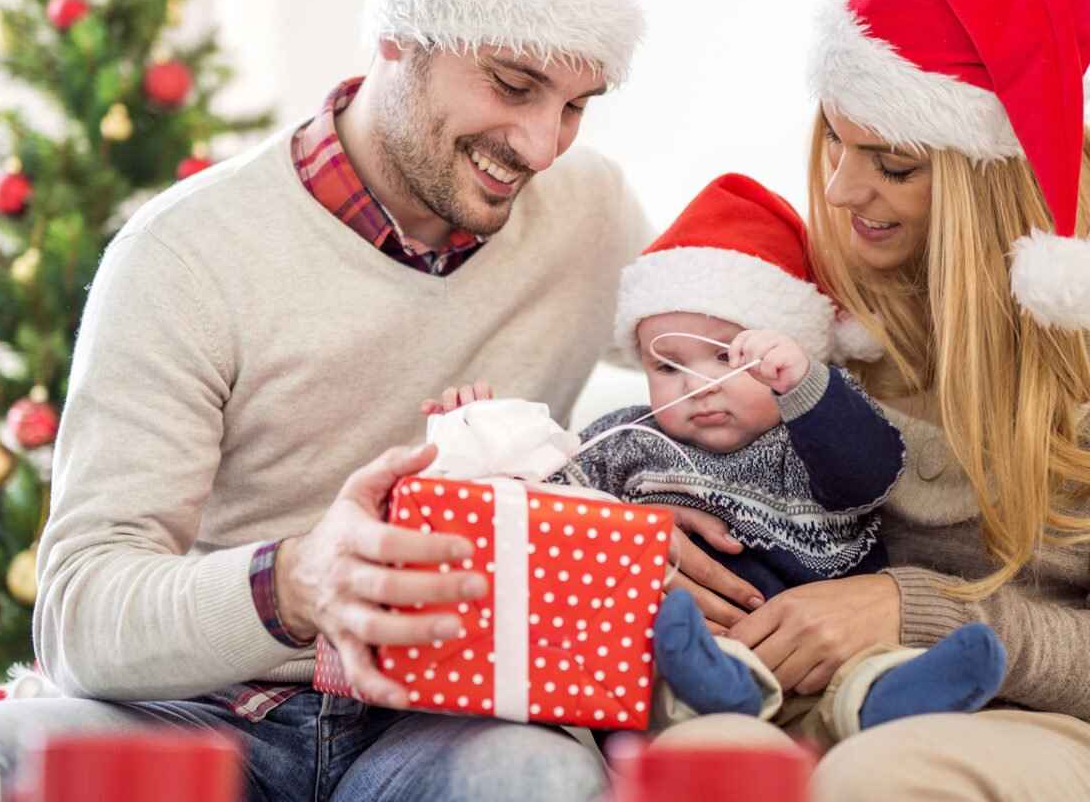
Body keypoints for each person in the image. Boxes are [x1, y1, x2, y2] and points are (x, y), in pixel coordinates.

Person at [0, 0, 762, 802]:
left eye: (576, 106)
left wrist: (650, 515)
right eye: (514, 85)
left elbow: (734, 355)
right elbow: (82, 614)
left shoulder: (590, 215)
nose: (541, 144)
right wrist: (298, 581)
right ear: (400, 33)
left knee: (536, 777)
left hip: (448, 722)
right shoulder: (188, 252)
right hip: (202, 708)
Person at [652, 0, 1090, 800]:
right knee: (688, 755)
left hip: (1029, 716)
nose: (846, 190)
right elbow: (684, 428)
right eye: (838, 145)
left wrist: (912, 607)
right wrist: (661, 534)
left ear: (991, 180)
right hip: (807, 693)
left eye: (894, 164)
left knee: (869, 779)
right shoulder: (815, 302)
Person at [428, 171, 1007, 740]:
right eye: (667, 365)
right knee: (660, 658)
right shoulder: (628, 439)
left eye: (729, 356)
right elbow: (551, 510)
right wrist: (483, 438)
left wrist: (806, 384)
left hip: (821, 649)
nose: (697, 386)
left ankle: (895, 696)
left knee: (864, 675)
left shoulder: (810, 429)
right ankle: (718, 691)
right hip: (682, 651)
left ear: (790, 353)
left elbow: (872, 472)